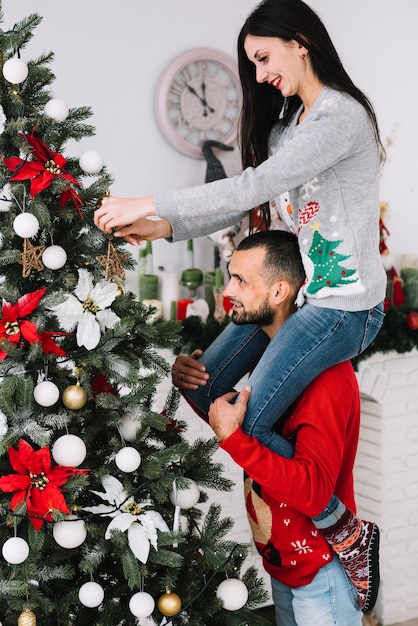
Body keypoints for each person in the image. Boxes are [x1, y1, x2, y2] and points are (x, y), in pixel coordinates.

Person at [94, 0, 386, 452]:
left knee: (245, 426)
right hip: (295, 297)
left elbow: (253, 185)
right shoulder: (286, 128)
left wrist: (146, 201)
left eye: (263, 58)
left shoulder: (340, 118)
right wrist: (161, 227)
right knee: (203, 389)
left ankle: (332, 519)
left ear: (301, 43)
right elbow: (249, 200)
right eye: (252, 63)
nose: (257, 75)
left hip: (346, 308)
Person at [173, 230, 377, 625]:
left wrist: (233, 437)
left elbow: (315, 491)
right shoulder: (272, 363)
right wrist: (193, 385)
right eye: (229, 276)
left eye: (241, 281)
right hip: (283, 559)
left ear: (281, 290)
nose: (227, 290)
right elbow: (237, 428)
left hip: (323, 567)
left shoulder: (326, 377)